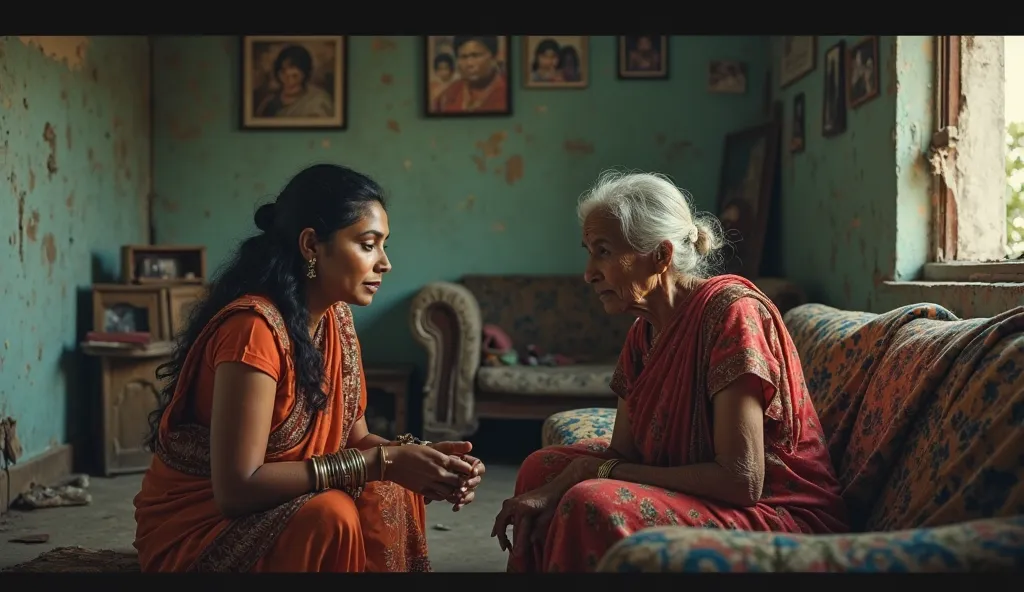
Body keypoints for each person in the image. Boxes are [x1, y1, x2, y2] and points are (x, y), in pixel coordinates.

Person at [133, 163, 486, 573]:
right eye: (368, 244)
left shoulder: (336, 319)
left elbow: (355, 437)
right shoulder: (253, 330)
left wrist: (423, 462)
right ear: (311, 245)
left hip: (282, 500)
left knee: (390, 488)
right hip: (203, 522)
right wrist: (383, 460)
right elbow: (236, 489)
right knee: (332, 515)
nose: (385, 263)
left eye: (384, 245)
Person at [492, 171, 849, 572]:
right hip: (710, 491)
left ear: (660, 256)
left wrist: (594, 472)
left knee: (589, 501)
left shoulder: (732, 314)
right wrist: (564, 480)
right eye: (589, 252)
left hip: (773, 514)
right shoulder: (643, 331)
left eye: (603, 251)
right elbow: (623, 452)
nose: (589, 273)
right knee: (540, 471)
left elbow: (741, 482)